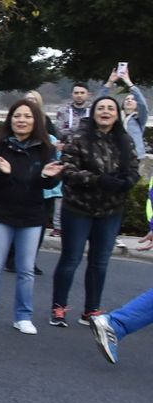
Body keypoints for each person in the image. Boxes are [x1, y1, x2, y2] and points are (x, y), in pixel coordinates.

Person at [49, 95, 138, 326]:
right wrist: (99, 180)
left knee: (100, 262)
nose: (105, 112)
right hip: (78, 208)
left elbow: (133, 167)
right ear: (94, 112)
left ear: (117, 115)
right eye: (101, 108)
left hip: (111, 210)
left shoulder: (125, 140)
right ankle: (59, 307)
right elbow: (68, 170)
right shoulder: (78, 137)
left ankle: (91, 310)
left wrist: (129, 180)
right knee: (71, 258)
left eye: (110, 108)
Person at [0, 99, 62, 333]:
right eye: (17, 116)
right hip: (0, 213)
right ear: (10, 119)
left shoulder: (46, 149)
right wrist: (4, 174)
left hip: (32, 215)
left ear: (36, 121)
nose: (21, 120)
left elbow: (50, 183)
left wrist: (46, 176)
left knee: (26, 269)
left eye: (27, 116)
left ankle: (23, 316)